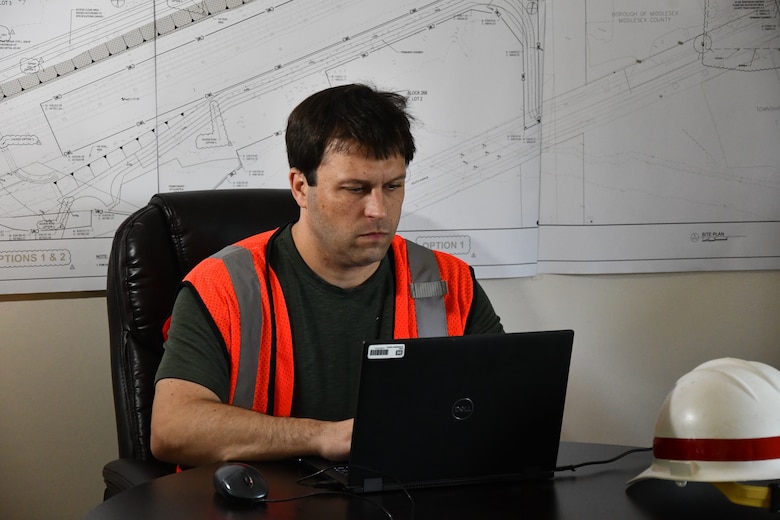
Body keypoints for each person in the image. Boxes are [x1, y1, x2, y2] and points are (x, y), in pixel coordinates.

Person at [150, 83, 504, 467]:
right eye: (355, 189)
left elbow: (507, 409)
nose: (378, 210)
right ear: (301, 187)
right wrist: (323, 437)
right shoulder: (223, 287)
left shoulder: (451, 281)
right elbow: (172, 429)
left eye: (393, 186)